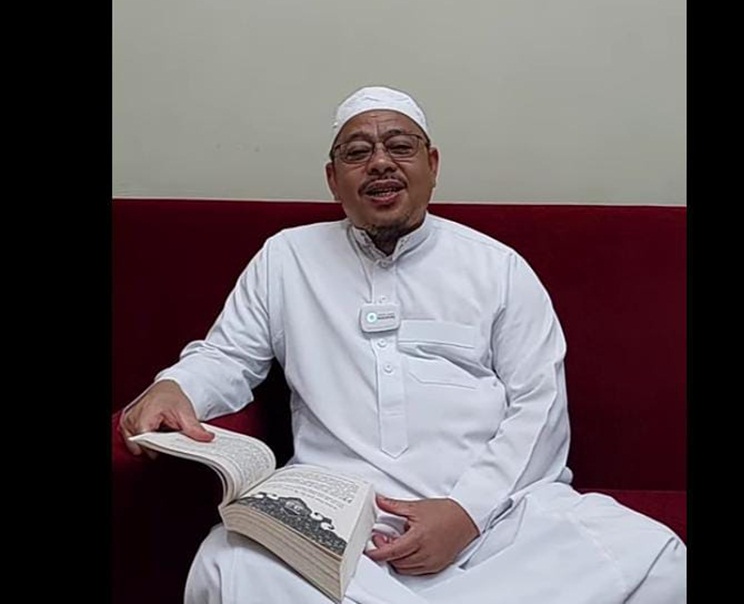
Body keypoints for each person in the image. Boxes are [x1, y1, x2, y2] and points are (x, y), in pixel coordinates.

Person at [119, 86, 686, 604]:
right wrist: (178, 385)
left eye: (400, 146)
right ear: (333, 179)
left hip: (497, 518)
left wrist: (465, 513)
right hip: (339, 519)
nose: (380, 163)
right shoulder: (286, 258)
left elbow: (539, 406)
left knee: (657, 561)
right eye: (357, 152)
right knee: (229, 563)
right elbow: (228, 356)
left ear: (432, 165)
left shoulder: (498, 267)